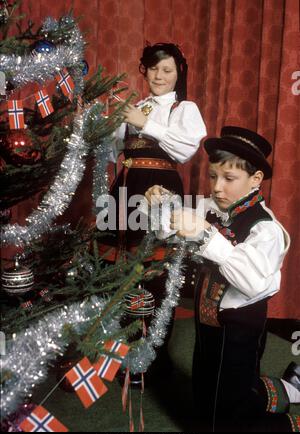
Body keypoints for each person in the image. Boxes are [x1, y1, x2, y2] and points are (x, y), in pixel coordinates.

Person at [145, 126, 300, 432]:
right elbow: (172, 227)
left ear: (255, 181)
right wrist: (160, 204)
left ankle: (288, 423)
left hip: (239, 332)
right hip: (208, 327)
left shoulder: (265, 228)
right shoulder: (214, 209)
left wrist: (205, 234)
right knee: (207, 393)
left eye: (229, 179)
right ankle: (280, 390)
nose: (217, 187)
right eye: (214, 176)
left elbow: (253, 281)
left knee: (233, 408)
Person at [98, 43, 206, 378]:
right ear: (144, 70)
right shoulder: (137, 105)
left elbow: (186, 148)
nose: (159, 76)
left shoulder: (183, 108)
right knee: (117, 270)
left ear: (179, 73)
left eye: (167, 70)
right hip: (125, 188)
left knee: (155, 274)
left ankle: (149, 362)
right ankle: (117, 352)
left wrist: (143, 123)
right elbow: (114, 152)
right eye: (154, 68)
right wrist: (108, 126)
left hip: (159, 191)